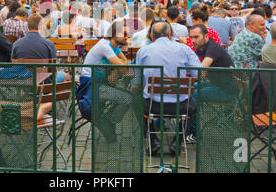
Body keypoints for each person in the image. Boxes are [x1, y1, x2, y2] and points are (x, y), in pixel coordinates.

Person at [135, 22, 202, 154]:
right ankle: (177, 141)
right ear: (170, 34)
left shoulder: (143, 51)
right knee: (194, 106)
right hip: (181, 105)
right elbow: (198, 73)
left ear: (152, 36)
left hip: (152, 105)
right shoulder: (184, 49)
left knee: (136, 103)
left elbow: (138, 81)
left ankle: (152, 139)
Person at [76, 21, 132, 143]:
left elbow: (124, 62)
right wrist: (120, 66)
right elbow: (123, 68)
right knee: (127, 98)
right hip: (91, 85)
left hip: (101, 83)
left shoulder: (114, 47)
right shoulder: (105, 46)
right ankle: (106, 120)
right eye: (124, 33)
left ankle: (106, 120)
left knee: (127, 97)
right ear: (114, 34)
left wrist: (119, 66)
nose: (127, 36)